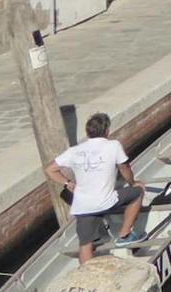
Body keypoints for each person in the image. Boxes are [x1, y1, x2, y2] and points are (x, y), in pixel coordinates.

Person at [44, 112, 144, 263]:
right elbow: (124, 168)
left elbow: (49, 169)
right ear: (107, 131)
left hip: (83, 206)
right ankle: (124, 235)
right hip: (107, 202)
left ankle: (86, 280)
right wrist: (132, 183)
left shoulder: (74, 150)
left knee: (85, 246)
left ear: (88, 132)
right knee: (138, 192)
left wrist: (67, 183)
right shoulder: (113, 145)